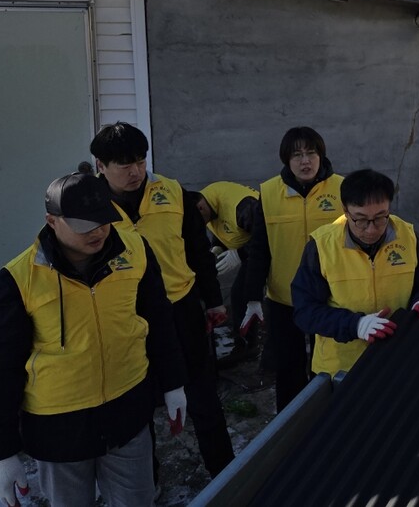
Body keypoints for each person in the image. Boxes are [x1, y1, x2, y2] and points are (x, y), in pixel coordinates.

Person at [0, 172, 187, 507]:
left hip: (128, 414)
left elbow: (159, 319)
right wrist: (1, 452)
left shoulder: (135, 251)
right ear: (52, 221)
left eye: (103, 220)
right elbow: (0, 369)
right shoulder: (17, 280)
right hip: (59, 430)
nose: (97, 231)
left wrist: (173, 382)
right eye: (83, 225)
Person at [89, 123, 234, 478]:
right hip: (126, 316)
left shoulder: (171, 192)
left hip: (180, 310)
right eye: (125, 165)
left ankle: (226, 472)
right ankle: (147, 479)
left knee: (202, 395)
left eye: (140, 161)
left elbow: (198, 251)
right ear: (100, 165)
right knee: (137, 403)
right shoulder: (88, 203)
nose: (136, 171)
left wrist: (214, 300)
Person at [292, 168, 419, 377]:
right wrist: (356, 325)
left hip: (399, 359)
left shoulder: (409, 237)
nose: (371, 229)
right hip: (341, 369)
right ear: (345, 210)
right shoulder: (321, 247)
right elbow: (305, 311)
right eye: (360, 219)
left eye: (380, 217)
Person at [238, 127, 344, 409]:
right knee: (288, 368)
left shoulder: (342, 189)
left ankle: (331, 417)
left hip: (331, 296)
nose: (305, 161)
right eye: (297, 155)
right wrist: (252, 297)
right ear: (287, 159)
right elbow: (259, 248)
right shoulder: (270, 192)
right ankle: (291, 422)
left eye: (311, 153)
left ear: (321, 155)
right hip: (285, 298)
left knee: (330, 364)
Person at [196, 181, 260, 365]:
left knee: (242, 295)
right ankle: (247, 343)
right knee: (241, 294)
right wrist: (218, 247)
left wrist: (240, 254)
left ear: (201, 208)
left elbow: (267, 236)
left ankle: (248, 346)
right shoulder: (208, 205)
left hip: (268, 249)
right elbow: (221, 227)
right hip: (251, 249)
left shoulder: (243, 207)